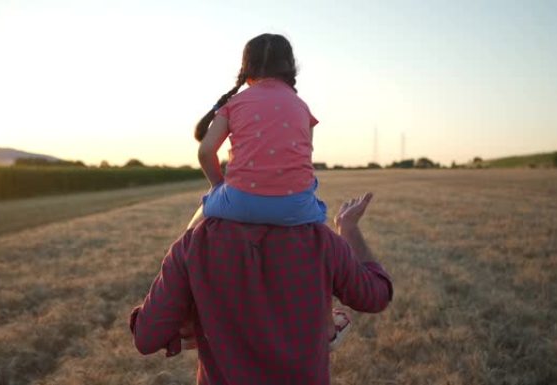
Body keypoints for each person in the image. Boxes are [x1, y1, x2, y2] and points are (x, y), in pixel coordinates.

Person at [130, 193, 393, 385]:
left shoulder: (195, 243)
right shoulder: (322, 241)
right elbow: (376, 295)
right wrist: (348, 229)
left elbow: (147, 338)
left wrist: (198, 319)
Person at [189, 33, 326, 228]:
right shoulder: (302, 107)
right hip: (296, 207)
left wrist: (217, 186)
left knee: (194, 227)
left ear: (246, 69)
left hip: (240, 202)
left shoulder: (233, 104)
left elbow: (205, 151)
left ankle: (183, 249)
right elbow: (304, 156)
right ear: (291, 67)